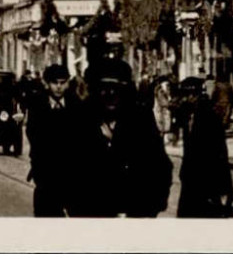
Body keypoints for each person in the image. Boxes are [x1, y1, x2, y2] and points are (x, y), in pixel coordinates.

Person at [63, 57, 172, 217]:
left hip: (134, 216)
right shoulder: (80, 120)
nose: (111, 94)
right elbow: (66, 168)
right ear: (94, 90)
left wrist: (149, 208)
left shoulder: (140, 119)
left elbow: (160, 167)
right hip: (91, 215)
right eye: (104, 88)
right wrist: (76, 208)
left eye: (117, 88)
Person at [177, 74, 233, 217]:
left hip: (207, 183)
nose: (183, 100)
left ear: (194, 95)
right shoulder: (189, 114)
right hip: (191, 179)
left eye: (186, 96)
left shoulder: (209, 117)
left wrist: (225, 188)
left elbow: (220, 154)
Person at [26, 63, 77, 217]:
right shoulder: (37, 104)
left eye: (63, 83)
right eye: (55, 83)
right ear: (46, 84)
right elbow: (33, 135)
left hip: (71, 175)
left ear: (68, 83)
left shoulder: (76, 105)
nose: (59, 87)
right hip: (46, 174)